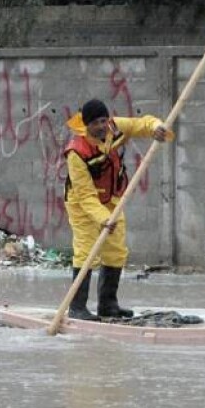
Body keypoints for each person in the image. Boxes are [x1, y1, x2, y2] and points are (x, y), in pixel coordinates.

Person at [63, 99, 172, 320]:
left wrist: (157, 128)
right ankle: (77, 307)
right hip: (82, 205)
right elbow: (85, 195)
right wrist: (103, 219)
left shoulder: (115, 127)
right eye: (96, 123)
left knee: (116, 251)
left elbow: (142, 124)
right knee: (86, 253)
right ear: (87, 125)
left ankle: (108, 305)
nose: (102, 126)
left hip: (111, 200)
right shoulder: (77, 152)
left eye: (104, 120)